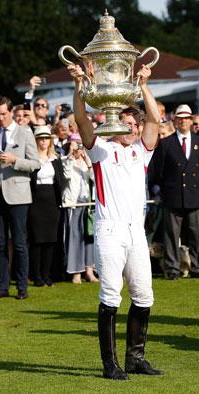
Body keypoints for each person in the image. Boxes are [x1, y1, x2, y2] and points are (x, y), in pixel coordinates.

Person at [69, 62, 162, 380]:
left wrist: (145, 85)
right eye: (124, 122)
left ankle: (135, 358)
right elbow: (81, 119)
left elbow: (156, 119)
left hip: (136, 232)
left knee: (144, 295)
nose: (130, 128)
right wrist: (79, 87)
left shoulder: (142, 151)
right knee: (110, 295)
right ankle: (110, 364)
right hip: (109, 230)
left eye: (133, 123)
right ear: (114, 123)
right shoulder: (101, 150)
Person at [0, 96, 41, 300]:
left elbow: (35, 163)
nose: (0, 118)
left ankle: (22, 287)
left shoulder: (25, 133)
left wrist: (15, 160)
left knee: (19, 242)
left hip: (18, 194)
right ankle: (3, 286)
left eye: (3, 114)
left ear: (11, 112)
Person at [148, 104, 199, 280]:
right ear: (174, 120)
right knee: (171, 236)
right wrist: (168, 188)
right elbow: (158, 170)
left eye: (186, 118)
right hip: (173, 195)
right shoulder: (166, 143)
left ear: (191, 120)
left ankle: (198, 267)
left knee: (197, 235)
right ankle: (172, 268)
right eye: (180, 118)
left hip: (194, 195)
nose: (183, 122)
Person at [28, 126, 64, 287]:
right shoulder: (31, 158)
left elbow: (60, 181)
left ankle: (46, 275)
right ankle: (36, 276)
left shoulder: (55, 159)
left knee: (50, 240)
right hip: (36, 200)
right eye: (40, 138)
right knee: (37, 240)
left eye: (46, 138)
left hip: (52, 201)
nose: (43, 141)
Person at [60, 135, 97, 284]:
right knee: (74, 238)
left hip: (87, 203)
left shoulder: (89, 160)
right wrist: (71, 157)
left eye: (81, 145)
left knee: (89, 237)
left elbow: (95, 179)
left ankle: (89, 270)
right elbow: (66, 176)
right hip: (73, 203)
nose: (79, 148)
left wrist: (88, 162)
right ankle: (76, 272)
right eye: (76, 145)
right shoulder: (65, 160)